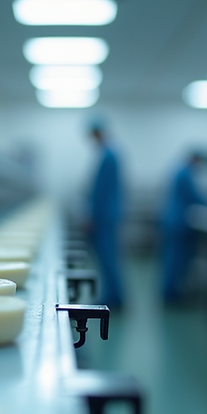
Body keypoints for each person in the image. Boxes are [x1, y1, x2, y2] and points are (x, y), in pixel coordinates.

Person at [87, 118, 124, 308]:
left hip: (104, 217)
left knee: (108, 257)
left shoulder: (107, 156)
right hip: (108, 214)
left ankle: (114, 297)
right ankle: (114, 295)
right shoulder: (111, 154)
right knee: (109, 257)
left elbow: (100, 191)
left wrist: (91, 216)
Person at [160, 152, 207, 303]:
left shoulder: (180, 170)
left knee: (172, 258)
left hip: (173, 220)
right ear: (195, 159)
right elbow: (193, 196)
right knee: (176, 259)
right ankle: (171, 293)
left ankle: (170, 291)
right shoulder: (185, 173)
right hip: (178, 222)